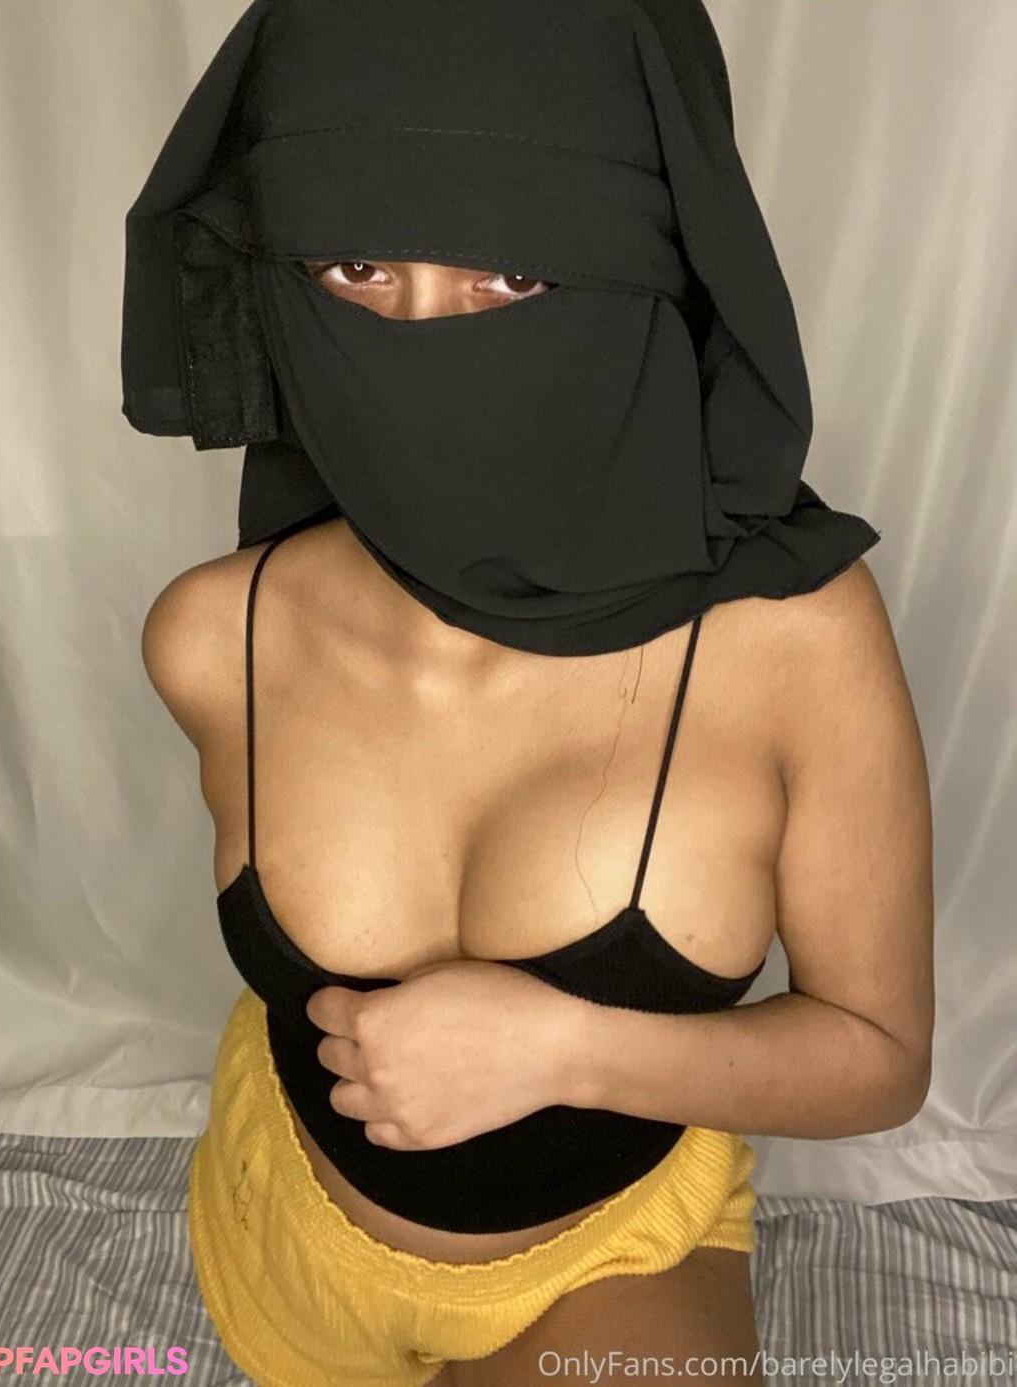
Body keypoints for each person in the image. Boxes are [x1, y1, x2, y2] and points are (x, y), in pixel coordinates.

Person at [124, 5, 935, 1384]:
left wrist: (567, 1049)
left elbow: (879, 1055)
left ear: (649, 267)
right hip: (282, 1245)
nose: (421, 345)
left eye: (509, 273)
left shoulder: (794, 638)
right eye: (358, 267)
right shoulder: (214, 637)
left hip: (604, 1259)